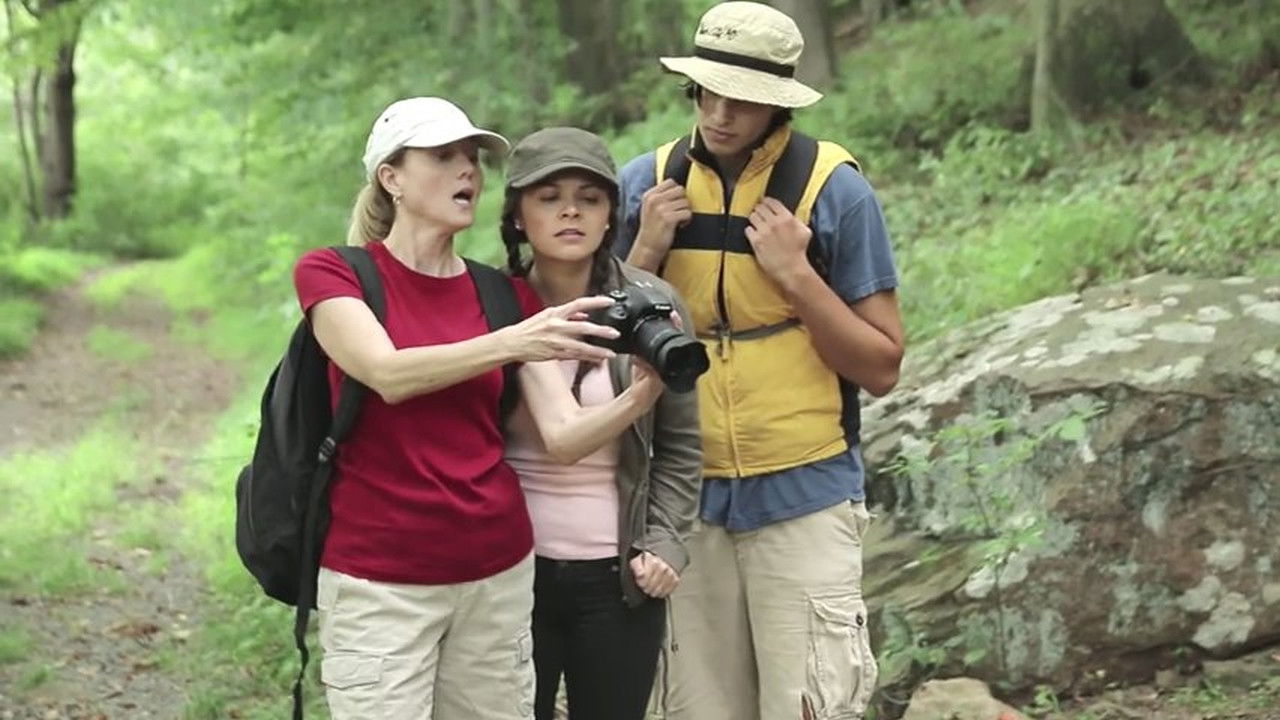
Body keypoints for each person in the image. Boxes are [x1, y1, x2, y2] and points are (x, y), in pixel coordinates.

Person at [293, 97, 646, 720]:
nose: (467, 171)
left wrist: (648, 389)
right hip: (381, 581)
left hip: (496, 576)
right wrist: (511, 342)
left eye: (472, 158)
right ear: (392, 178)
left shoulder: (501, 294)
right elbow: (386, 373)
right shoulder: (335, 274)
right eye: (443, 156)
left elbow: (564, 435)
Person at [616, 3, 906, 719]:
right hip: (681, 499)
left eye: (741, 99)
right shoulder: (644, 185)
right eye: (707, 93)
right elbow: (595, 353)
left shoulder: (834, 190)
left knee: (811, 702)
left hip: (805, 490)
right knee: (696, 707)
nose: (719, 114)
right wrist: (646, 249)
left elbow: (881, 366)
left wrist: (797, 275)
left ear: (778, 101)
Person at [499, 126, 701, 720]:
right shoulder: (492, 303)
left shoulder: (653, 302)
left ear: (611, 214)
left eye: (589, 199)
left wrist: (665, 543)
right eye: (549, 197)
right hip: (508, 575)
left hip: (619, 576)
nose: (571, 212)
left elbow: (682, 445)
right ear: (517, 217)